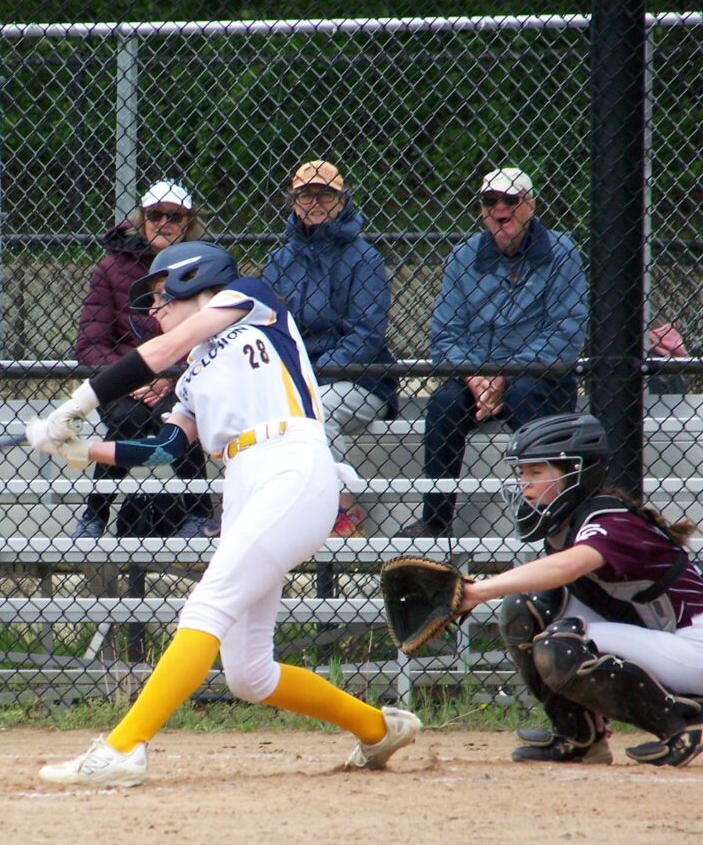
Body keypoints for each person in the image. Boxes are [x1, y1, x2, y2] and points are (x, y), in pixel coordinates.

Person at [25, 240, 421, 786]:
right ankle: (378, 729)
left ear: (196, 280)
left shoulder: (251, 300)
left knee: (206, 606)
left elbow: (165, 349)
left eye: (163, 296)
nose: (155, 312)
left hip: (291, 464)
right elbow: (164, 448)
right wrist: (79, 450)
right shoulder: (191, 376)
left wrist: (77, 401)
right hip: (243, 482)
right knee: (249, 672)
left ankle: (123, 748)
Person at [459, 412, 703, 767]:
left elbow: (568, 566)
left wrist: (478, 590)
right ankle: (580, 737)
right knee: (525, 609)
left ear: (575, 472)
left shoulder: (611, 521)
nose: (524, 484)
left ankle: (681, 726)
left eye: (536, 472)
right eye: (521, 473)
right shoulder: (570, 524)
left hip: (694, 644)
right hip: (665, 639)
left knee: (562, 645)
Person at [398, 167, 589, 538]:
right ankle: (436, 519)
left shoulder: (562, 253)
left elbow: (566, 333)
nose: (500, 208)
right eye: (490, 201)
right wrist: (475, 378)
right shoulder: (463, 256)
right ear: (482, 211)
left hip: (540, 375)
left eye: (511, 200)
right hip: (477, 375)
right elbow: (444, 334)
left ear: (529, 205)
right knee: (441, 404)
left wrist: (506, 374)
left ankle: (543, 510)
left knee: (522, 393)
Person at [72, 178, 216, 539]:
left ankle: (198, 514)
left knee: (177, 414)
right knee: (127, 417)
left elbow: (210, 335)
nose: (164, 222)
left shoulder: (203, 268)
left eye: (175, 216)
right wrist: (133, 377)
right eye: (155, 214)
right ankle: (95, 514)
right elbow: (90, 345)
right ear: (142, 217)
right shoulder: (110, 268)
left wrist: (172, 373)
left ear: (188, 223)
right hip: (125, 381)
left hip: (181, 376)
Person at [263, 160, 397, 537]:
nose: (316, 202)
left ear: (342, 201)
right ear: (293, 201)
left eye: (326, 194)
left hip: (359, 380)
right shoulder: (279, 261)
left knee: (317, 410)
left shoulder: (364, 257)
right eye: (307, 194)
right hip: (298, 378)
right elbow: (270, 330)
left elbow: (366, 335)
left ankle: (342, 509)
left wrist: (309, 379)